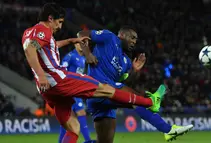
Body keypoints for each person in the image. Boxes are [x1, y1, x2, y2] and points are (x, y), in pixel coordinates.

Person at [21, 3, 165, 143]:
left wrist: (71, 40)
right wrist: (41, 75)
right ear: (50, 18)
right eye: (59, 22)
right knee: (106, 89)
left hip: (47, 90)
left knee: (73, 128)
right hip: (57, 78)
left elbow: (49, 46)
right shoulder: (43, 30)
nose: (60, 27)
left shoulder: (29, 32)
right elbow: (30, 50)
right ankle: (150, 102)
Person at [78, 26, 193, 143]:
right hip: (98, 87)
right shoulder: (109, 37)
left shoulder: (126, 62)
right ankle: (167, 129)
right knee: (137, 100)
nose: (134, 41)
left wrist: (134, 70)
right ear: (122, 35)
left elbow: (123, 83)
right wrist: (88, 54)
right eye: (132, 37)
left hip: (107, 96)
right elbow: (81, 34)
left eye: (136, 40)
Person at [58, 44, 96, 143]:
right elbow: (62, 71)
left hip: (76, 90)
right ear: (75, 44)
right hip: (69, 89)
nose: (81, 46)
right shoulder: (70, 56)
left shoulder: (83, 58)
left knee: (67, 119)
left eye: (84, 44)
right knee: (80, 112)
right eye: (79, 43)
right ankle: (88, 140)